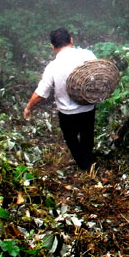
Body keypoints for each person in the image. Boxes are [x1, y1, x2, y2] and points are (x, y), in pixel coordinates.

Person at [24, 27, 98, 173]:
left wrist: (28, 107)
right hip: (88, 107)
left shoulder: (53, 66)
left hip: (67, 113)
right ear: (71, 40)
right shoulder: (87, 55)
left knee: (71, 139)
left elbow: (41, 93)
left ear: (53, 47)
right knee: (87, 135)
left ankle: (84, 165)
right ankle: (88, 162)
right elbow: (98, 74)